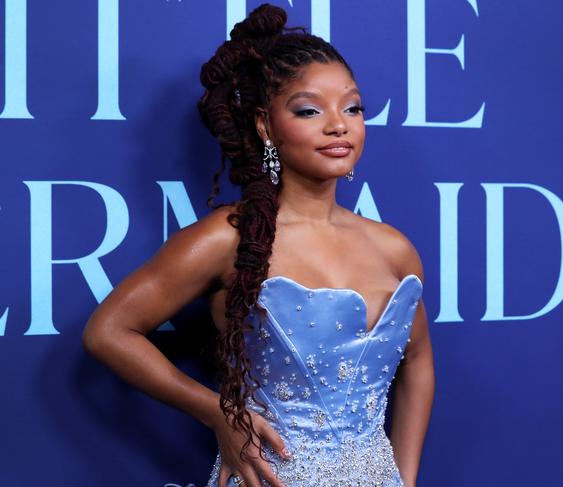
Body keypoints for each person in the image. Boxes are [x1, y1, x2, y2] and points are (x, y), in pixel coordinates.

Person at [82, 3, 435, 487]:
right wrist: (217, 413)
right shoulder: (227, 237)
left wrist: (404, 478)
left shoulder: (395, 248)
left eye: (352, 107)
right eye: (310, 110)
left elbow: (417, 361)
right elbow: (109, 331)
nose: (339, 124)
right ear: (265, 126)